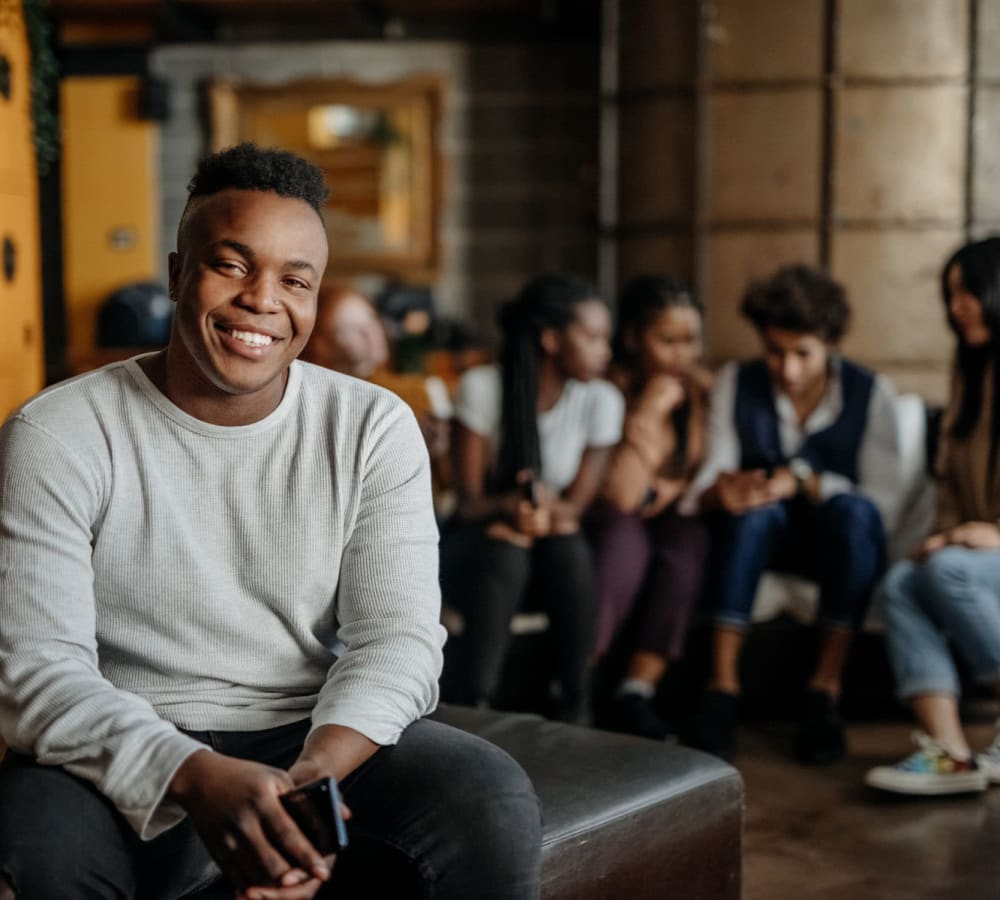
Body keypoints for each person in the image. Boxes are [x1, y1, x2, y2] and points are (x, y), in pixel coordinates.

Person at [0, 143, 541, 900]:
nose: (263, 299)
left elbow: (398, 639)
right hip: (122, 738)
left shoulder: (371, 426)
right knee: (36, 834)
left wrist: (305, 789)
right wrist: (192, 775)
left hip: (309, 730)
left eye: (296, 279)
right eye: (232, 264)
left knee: (485, 793)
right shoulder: (57, 431)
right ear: (177, 273)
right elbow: (35, 672)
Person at [683, 264, 905, 764]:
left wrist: (805, 482)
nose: (787, 369)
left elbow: (882, 505)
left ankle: (823, 692)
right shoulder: (736, 382)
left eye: (802, 354)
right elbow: (710, 477)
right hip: (760, 537)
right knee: (752, 515)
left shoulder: (872, 394)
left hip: (837, 543)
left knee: (854, 515)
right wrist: (725, 490)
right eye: (775, 352)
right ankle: (721, 691)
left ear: (828, 342)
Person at [443, 273, 624, 723]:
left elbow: (575, 509)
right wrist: (508, 510)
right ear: (550, 339)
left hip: (550, 548)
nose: (606, 351)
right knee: (507, 548)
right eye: (593, 337)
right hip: (475, 548)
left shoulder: (601, 400)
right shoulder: (484, 387)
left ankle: (575, 701)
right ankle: (475, 705)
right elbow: (469, 504)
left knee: (567, 547)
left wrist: (540, 516)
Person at [866, 237, 1000, 795]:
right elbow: (947, 475)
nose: (958, 306)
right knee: (901, 581)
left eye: (969, 291)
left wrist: (990, 535)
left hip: (990, 550)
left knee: (948, 572)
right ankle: (952, 755)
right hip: (977, 549)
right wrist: (947, 534)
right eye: (951, 295)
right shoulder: (968, 369)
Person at [587, 275, 711, 740]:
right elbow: (620, 493)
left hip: (670, 516)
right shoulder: (608, 389)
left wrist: (675, 488)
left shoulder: (703, 392)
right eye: (668, 340)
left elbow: (708, 467)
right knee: (623, 536)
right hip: (613, 514)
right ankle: (584, 678)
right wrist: (648, 411)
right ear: (634, 337)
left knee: (686, 543)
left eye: (691, 341)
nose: (683, 354)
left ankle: (637, 689)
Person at [302, 284, 453, 508]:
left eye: (372, 320)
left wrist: (435, 449)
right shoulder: (313, 398)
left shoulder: (417, 389)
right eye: (352, 329)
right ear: (321, 344)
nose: (371, 333)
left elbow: (445, 489)